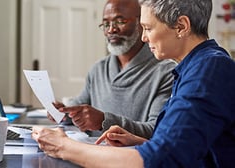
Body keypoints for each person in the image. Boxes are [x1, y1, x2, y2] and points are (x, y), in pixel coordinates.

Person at [32, 0, 235, 167]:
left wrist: (63, 147)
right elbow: (186, 147)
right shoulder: (194, 67)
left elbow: (160, 159)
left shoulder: (208, 70)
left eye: (147, 28)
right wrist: (139, 141)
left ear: (181, 26)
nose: (144, 37)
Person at [48, 0, 176, 139]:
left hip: (131, 157)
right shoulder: (98, 69)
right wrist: (64, 113)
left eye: (120, 21)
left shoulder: (165, 72)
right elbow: (81, 108)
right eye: (106, 24)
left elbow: (156, 129)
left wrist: (104, 121)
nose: (111, 30)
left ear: (141, 24)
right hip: (91, 152)